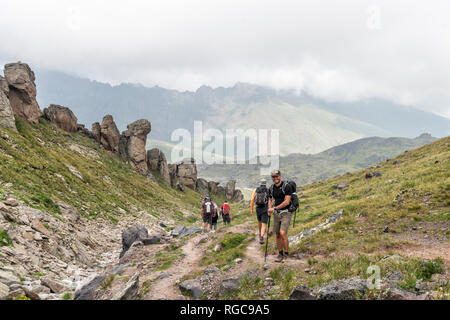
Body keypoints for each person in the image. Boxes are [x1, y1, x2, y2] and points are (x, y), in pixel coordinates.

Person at [268, 170, 293, 262]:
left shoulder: (287, 187)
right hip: (276, 214)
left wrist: (274, 209)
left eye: (277, 176)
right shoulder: (271, 188)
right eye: (273, 177)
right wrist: (269, 209)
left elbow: (287, 201)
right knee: (277, 234)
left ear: (280, 177)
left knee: (283, 233)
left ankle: (286, 254)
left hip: (286, 212)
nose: (275, 178)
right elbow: (270, 199)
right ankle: (280, 254)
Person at [251, 180, 269, 244]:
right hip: (265, 208)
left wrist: (252, 209)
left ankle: (260, 233)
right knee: (264, 224)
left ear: (260, 184)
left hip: (258, 208)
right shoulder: (267, 190)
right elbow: (271, 200)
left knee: (259, 222)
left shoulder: (256, 190)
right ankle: (261, 237)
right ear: (265, 184)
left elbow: (252, 199)